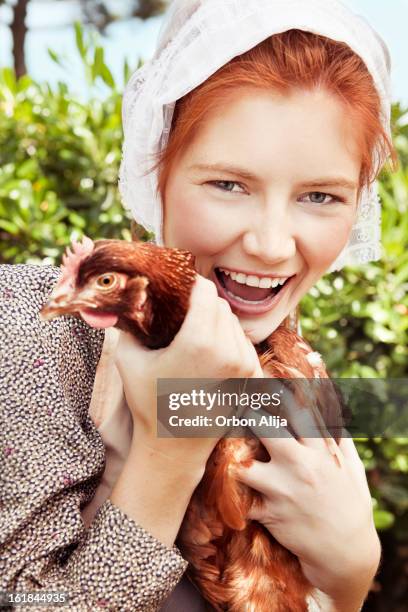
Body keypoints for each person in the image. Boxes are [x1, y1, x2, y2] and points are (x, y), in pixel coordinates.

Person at [0, 0, 396, 610]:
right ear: (159, 167)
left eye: (320, 195)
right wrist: (167, 449)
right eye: (228, 185)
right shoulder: (36, 328)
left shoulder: (296, 371)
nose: (270, 244)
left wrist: (348, 577)